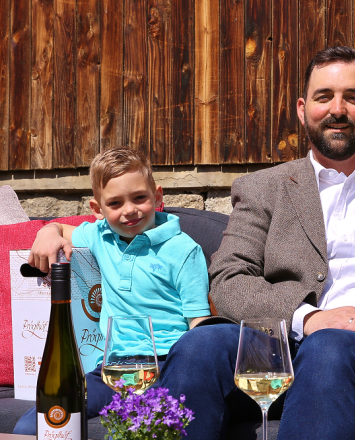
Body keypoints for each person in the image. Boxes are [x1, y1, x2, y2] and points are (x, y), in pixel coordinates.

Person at [144, 46, 355, 440]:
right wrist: (307, 318)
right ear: (302, 109)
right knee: (200, 345)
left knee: (330, 348)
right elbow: (228, 279)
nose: (337, 109)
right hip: (279, 344)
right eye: (323, 97)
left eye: (352, 97)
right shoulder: (265, 187)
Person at [13, 147, 211, 434]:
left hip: (166, 367)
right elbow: (62, 230)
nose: (129, 210)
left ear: (157, 197)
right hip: (112, 370)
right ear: (98, 210)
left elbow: (199, 326)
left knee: (143, 429)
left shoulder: (184, 250)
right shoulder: (100, 234)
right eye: (115, 203)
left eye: (139, 198)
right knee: (31, 425)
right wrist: (48, 231)